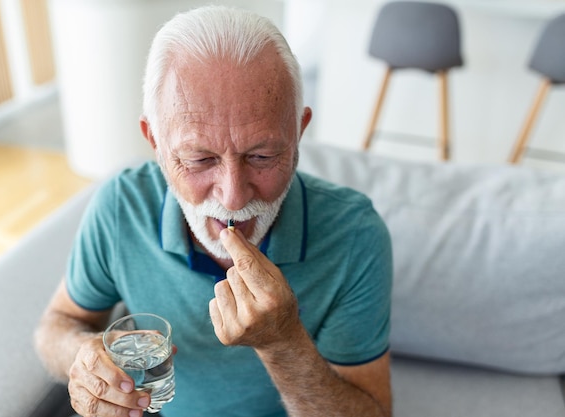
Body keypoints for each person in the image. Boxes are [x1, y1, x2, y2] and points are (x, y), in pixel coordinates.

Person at [35, 5, 393, 417]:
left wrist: (283, 343)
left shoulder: (355, 234)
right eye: (200, 159)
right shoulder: (120, 207)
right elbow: (57, 324)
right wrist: (81, 359)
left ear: (299, 133)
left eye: (261, 155)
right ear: (154, 140)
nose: (233, 198)